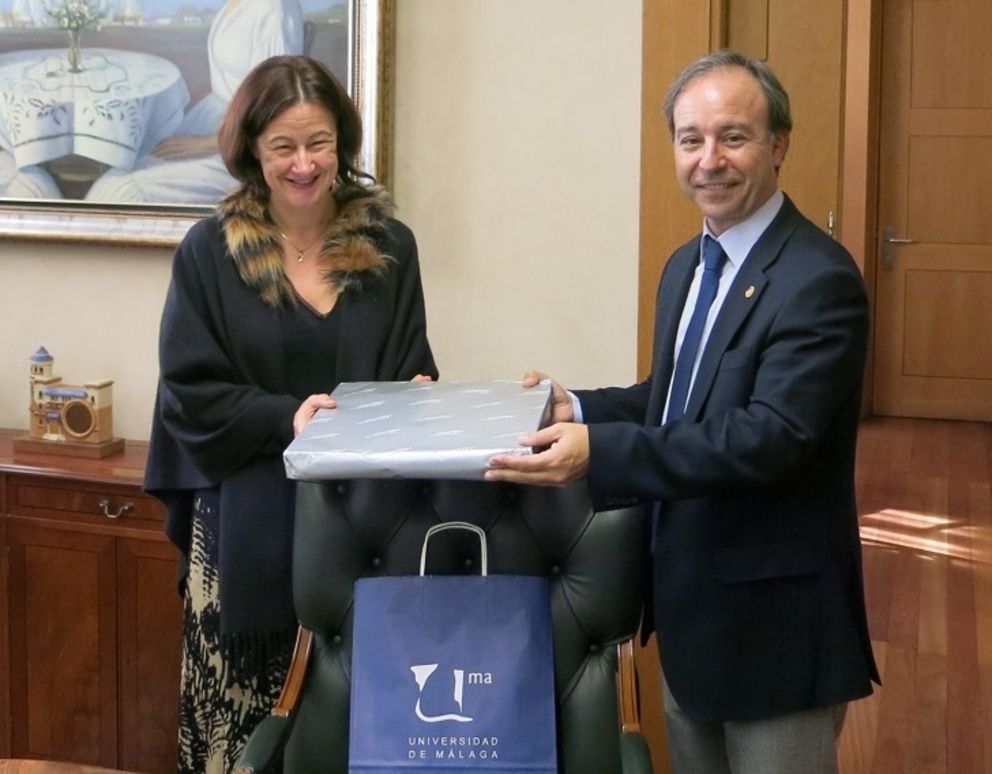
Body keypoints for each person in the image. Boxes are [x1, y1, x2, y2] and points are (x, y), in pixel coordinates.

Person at [486, 49, 879, 774]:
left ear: (779, 145)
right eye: (690, 139)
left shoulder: (818, 279)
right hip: (690, 610)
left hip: (774, 628)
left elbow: (769, 437)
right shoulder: (687, 265)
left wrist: (599, 451)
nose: (709, 160)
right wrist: (578, 404)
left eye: (733, 136)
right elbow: (677, 399)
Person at [143, 54, 437, 774]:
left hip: (365, 526)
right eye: (283, 147)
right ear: (252, 151)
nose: (304, 164)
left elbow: (410, 368)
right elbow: (188, 388)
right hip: (247, 528)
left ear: (342, 143)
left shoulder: (391, 248)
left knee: (357, 734)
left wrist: (424, 395)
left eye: (318, 143)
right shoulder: (209, 254)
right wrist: (288, 417)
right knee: (246, 742)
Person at [85, 0, 303, 204]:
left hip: (243, 148)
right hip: (213, 120)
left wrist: (207, 143)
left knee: (118, 191)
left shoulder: (273, 9)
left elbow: (275, 103)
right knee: (116, 177)